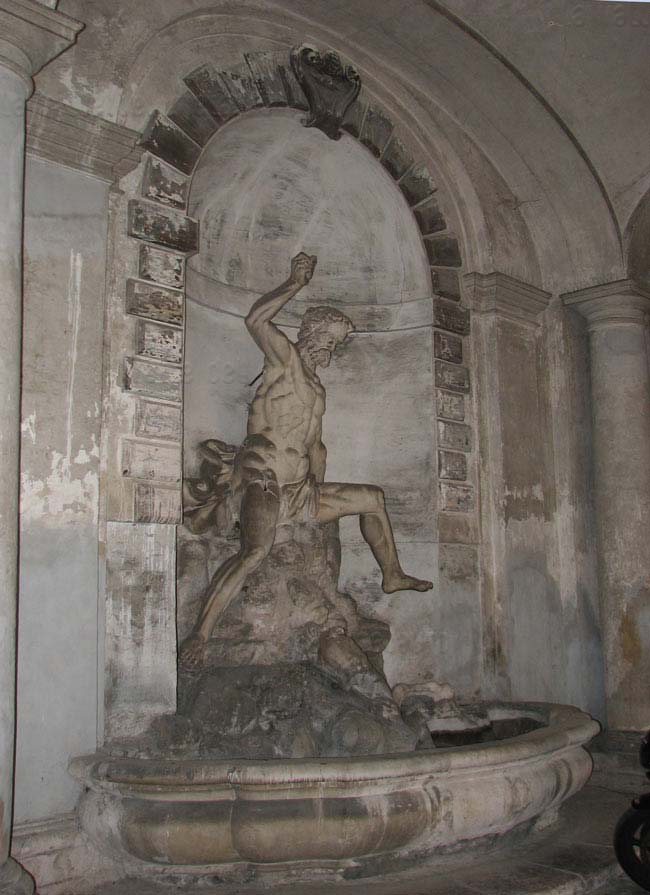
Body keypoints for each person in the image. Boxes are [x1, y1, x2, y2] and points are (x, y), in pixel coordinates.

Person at [179, 252, 433, 670]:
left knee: (372, 498)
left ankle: (391, 574)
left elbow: (316, 446)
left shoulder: (317, 389)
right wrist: (294, 284)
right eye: (329, 339)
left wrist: (316, 484)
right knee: (255, 552)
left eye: (337, 343)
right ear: (311, 331)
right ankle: (200, 634)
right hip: (263, 480)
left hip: (299, 489)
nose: (332, 348)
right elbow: (256, 320)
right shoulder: (285, 362)